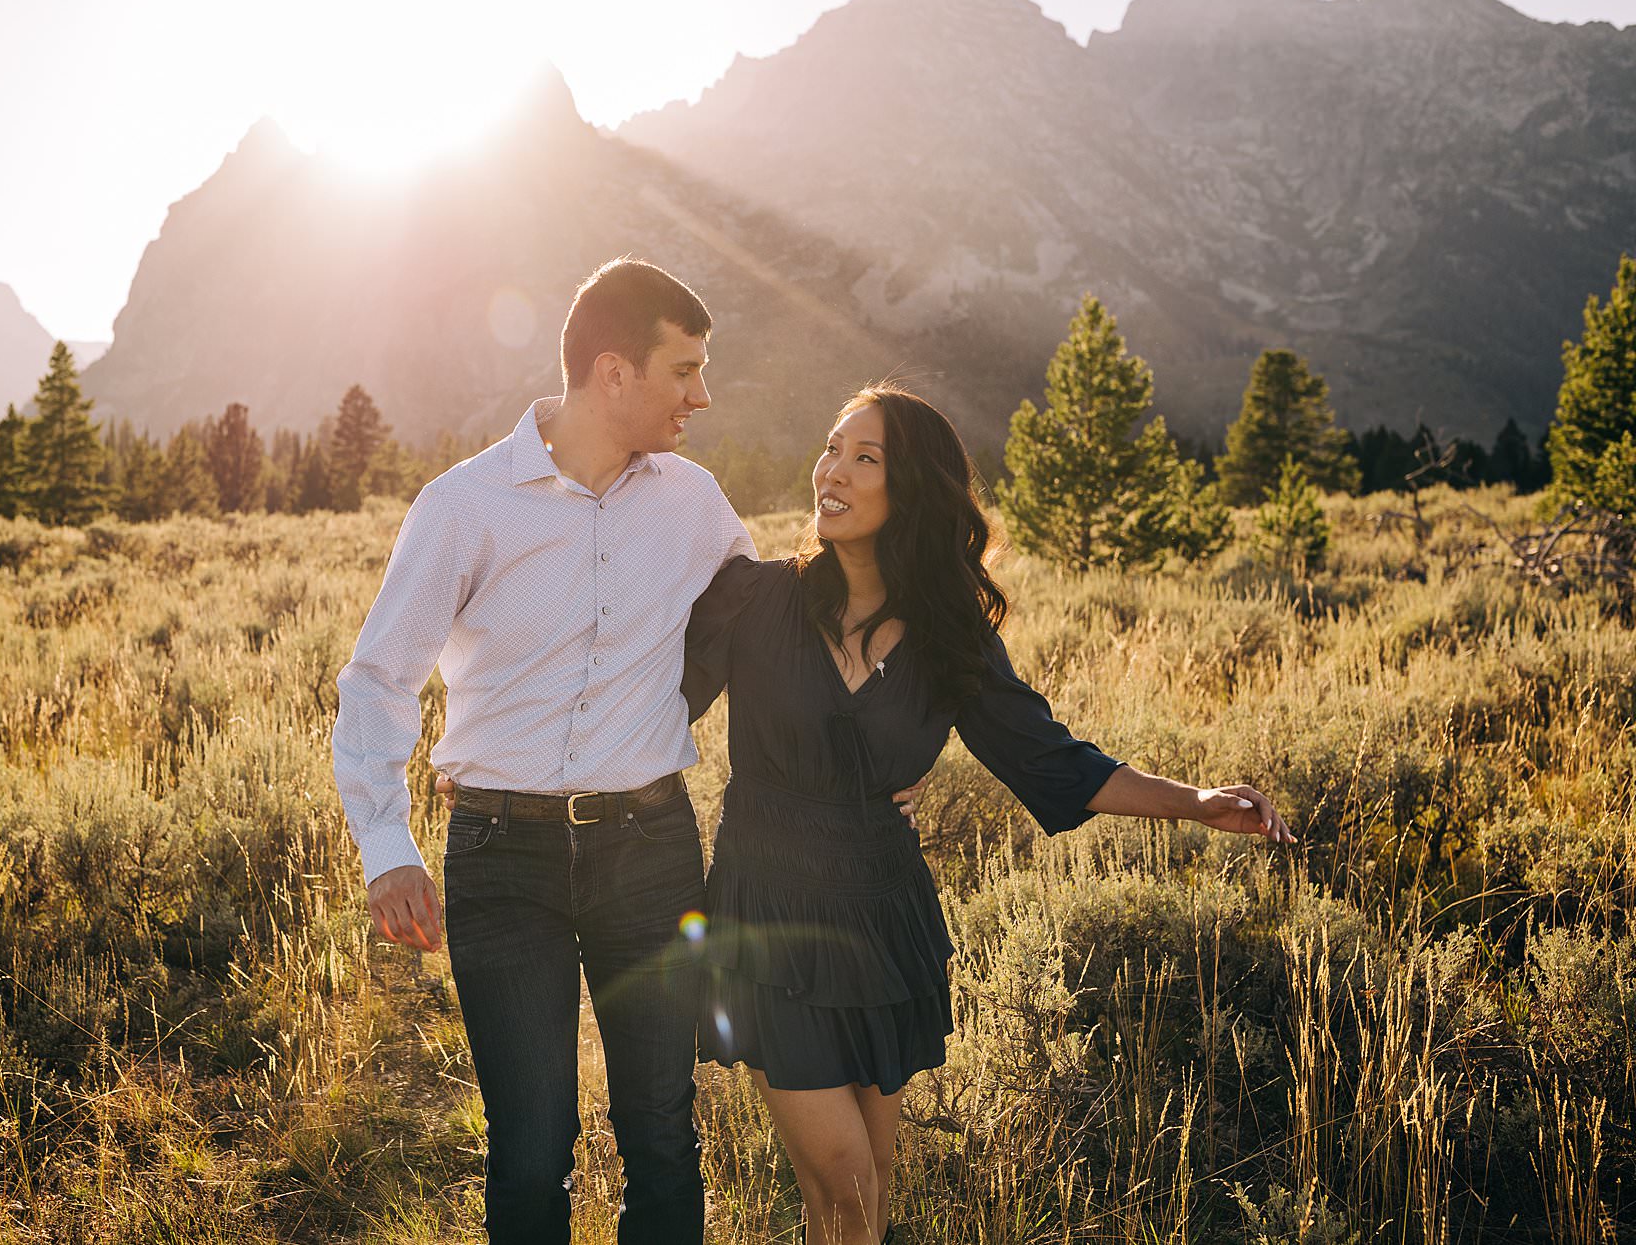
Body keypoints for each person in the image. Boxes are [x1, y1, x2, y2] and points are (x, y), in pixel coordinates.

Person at [677, 384, 1296, 1245]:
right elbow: (645, 703)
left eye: (866, 457)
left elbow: (1052, 759)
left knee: (862, 1191)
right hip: (768, 913)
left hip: (883, 917)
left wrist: (1194, 803)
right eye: (831, 447)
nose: (834, 471)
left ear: (914, 491)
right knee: (846, 1178)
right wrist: (507, 758)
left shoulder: (949, 636)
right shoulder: (754, 598)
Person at [332, 258, 759, 1244]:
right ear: (612, 373)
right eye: (684, 369)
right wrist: (386, 846)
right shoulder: (465, 504)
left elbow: (770, 621)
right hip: (502, 856)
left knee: (659, 1128)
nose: (703, 394)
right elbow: (380, 678)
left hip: (651, 849)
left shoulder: (693, 501)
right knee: (530, 1142)